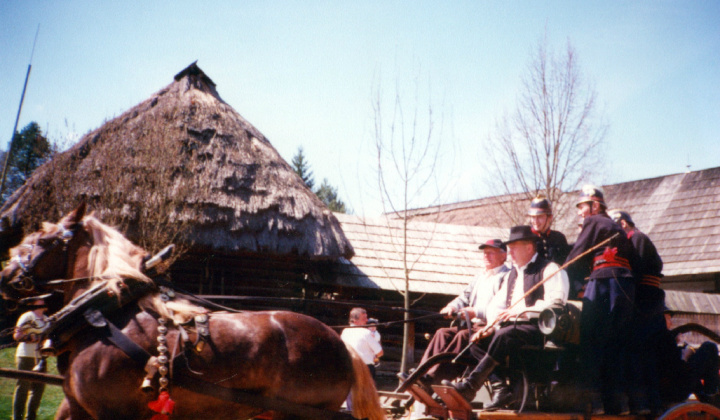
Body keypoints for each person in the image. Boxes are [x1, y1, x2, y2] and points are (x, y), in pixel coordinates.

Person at [442, 225, 569, 407]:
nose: (510, 253)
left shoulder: (550, 269)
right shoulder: (512, 275)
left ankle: (471, 385)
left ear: (529, 247)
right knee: (475, 338)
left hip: (538, 329)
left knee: (504, 335)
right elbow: (497, 306)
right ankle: (501, 389)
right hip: (511, 329)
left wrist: (520, 311)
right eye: (509, 248)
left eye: (514, 247)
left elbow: (555, 304)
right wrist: (489, 327)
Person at [564, 186, 639, 415]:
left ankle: (593, 402)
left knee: (590, 341)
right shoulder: (619, 229)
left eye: (582, 207)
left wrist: (560, 271)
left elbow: (577, 253)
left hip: (604, 284)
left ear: (595, 206)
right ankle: (619, 403)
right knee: (616, 344)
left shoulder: (594, 221)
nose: (580, 213)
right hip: (626, 288)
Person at [399, 239, 509, 388]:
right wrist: (451, 307)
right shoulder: (480, 276)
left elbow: (500, 307)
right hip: (471, 324)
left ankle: (433, 378)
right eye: (484, 253)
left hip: (489, 326)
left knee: (462, 336)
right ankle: (420, 373)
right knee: (442, 333)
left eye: (491, 253)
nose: (486, 256)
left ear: (504, 255)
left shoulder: (507, 276)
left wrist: (475, 312)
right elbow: (464, 297)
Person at [609, 209, 665, 414]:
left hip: (646, 302)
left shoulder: (637, 238)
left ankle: (650, 404)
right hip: (641, 301)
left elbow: (636, 270)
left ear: (623, 224)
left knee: (643, 354)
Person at [658, 308, 719, 407]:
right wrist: (685, 356)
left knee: (695, 362)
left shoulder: (658, 337)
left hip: (669, 387)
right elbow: (674, 369)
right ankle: (710, 395)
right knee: (709, 347)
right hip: (674, 390)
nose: (671, 323)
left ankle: (707, 397)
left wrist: (676, 345)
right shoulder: (665, 338)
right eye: (668, 319)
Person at [12, 299, 49, 420]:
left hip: (40, 357)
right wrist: (30, 337)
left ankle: (30, 417)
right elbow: (17, 335)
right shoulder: (27, 316)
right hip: (26, 355)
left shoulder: (47, 319)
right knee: (23, 388)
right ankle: (18, 417)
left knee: (38, 389)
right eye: (40, 299)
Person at [341, 307, 383, 381]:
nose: (367, 320)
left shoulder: (344, 332)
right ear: (355, 321)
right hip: (365, 369)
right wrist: (374, 356)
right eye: (364, 319)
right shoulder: (366, 332)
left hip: (348, 368)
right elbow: (380, 352)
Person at [527, 196, 569, 267]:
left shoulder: (559, 238)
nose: (536, 221)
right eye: (533, 217)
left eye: (540, 217)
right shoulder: (526, 239)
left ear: (550, 217)